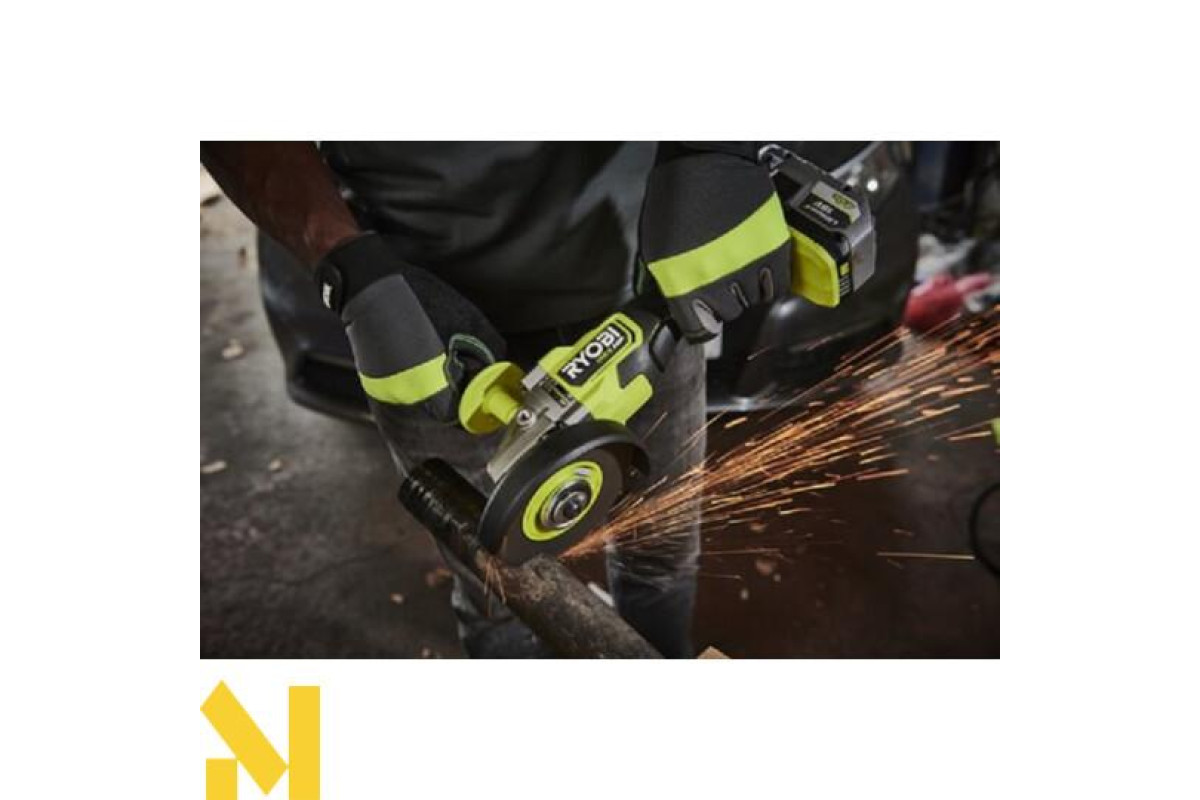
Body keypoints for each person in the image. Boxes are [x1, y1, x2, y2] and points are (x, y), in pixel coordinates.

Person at [200, 142, 793, 658]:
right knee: (496, 595)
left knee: (660, 552)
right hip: (421, 326)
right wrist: (347, 266)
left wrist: (718, 147)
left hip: (646, 278)